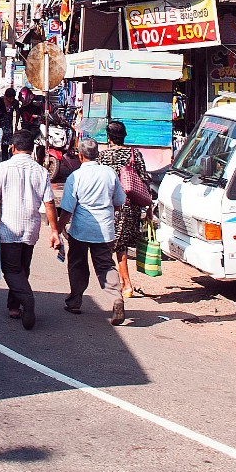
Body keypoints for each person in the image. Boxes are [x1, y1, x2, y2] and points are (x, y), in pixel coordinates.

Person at [0, 129, 54, 329]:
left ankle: (28, 302)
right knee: (22, 267)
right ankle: (14, 305)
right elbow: (49, 203)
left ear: (13, 147)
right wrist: (55, 231)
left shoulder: (3, 168)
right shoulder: (41, 170)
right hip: (31, 228)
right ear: (32, 149)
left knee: (11, 269)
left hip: (9, 229)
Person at [54, 138, 128, 324]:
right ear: (97, 154)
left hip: (80, 230)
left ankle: (75, 301)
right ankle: (116, 298)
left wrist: (57, 230)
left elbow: (67, 210)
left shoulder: (76, 177)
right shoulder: (109, 173)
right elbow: (119, 201)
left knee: (77, 264)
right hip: (105, 230)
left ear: (80, 155)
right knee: (105, 265)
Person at [98, 119, 156, 304]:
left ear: (109, 137)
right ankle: (125, 283)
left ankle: (124, 284)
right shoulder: (134, 154)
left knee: (113, 245)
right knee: (120, 245)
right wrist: (148, 206)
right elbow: (144, 180)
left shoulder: (103, 157)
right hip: (130, 205)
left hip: (110, 206)